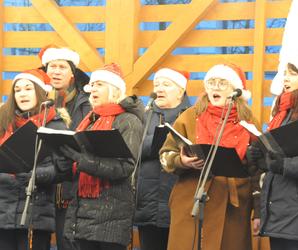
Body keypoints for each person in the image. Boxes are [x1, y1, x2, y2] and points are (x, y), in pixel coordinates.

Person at [159, 63, 260, 250]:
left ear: (235, 89)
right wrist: (182, 161)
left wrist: (259, 211)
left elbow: (258, 170)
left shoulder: (249, 123)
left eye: (222, 83)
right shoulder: (190, 116)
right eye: (211, 82)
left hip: (233, 208)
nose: (215, 87)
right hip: (192, 201)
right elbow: (165, 154)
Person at [58, 63, 144, 250]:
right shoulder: (89, 120)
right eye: (92, 85)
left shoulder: (128, 121)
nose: (93, 89)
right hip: (81, 214)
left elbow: (125, 167)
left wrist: (83, 161)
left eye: (100, 85)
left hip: (111, 216)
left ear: (114, 90)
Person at [0, 69, 70, 250]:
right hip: (2, 210)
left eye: (28, 88)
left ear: (40, 92)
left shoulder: (55, 125)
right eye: (17, 90)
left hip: (35, 212)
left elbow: (63, 168)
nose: (22, 94)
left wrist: (34, 175)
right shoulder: (3, 123)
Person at [39, 45, 91, 250]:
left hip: (70, 186)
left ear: (72, 74)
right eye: (52, 66)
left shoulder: (85, 104)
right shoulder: (38, 102)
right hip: (41, 186)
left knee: (67, 242)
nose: (56, 71)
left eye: (62, 67)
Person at [134, 68, 191, 250]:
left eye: (166, 84)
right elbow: (133, 148)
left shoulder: (191, 116)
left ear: (181, 91)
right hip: (147, 202)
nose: (160, 89)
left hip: (179, 200)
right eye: (157, 84)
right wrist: (159, 143)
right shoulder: (145, 114)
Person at [249, 59, 298, 250]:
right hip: (279, 211)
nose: (285, 78)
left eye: (293, 73)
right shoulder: (282, 112)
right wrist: (260, 157)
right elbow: (278, 155)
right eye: (284, 73)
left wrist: (283, 165)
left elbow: (284, 161)